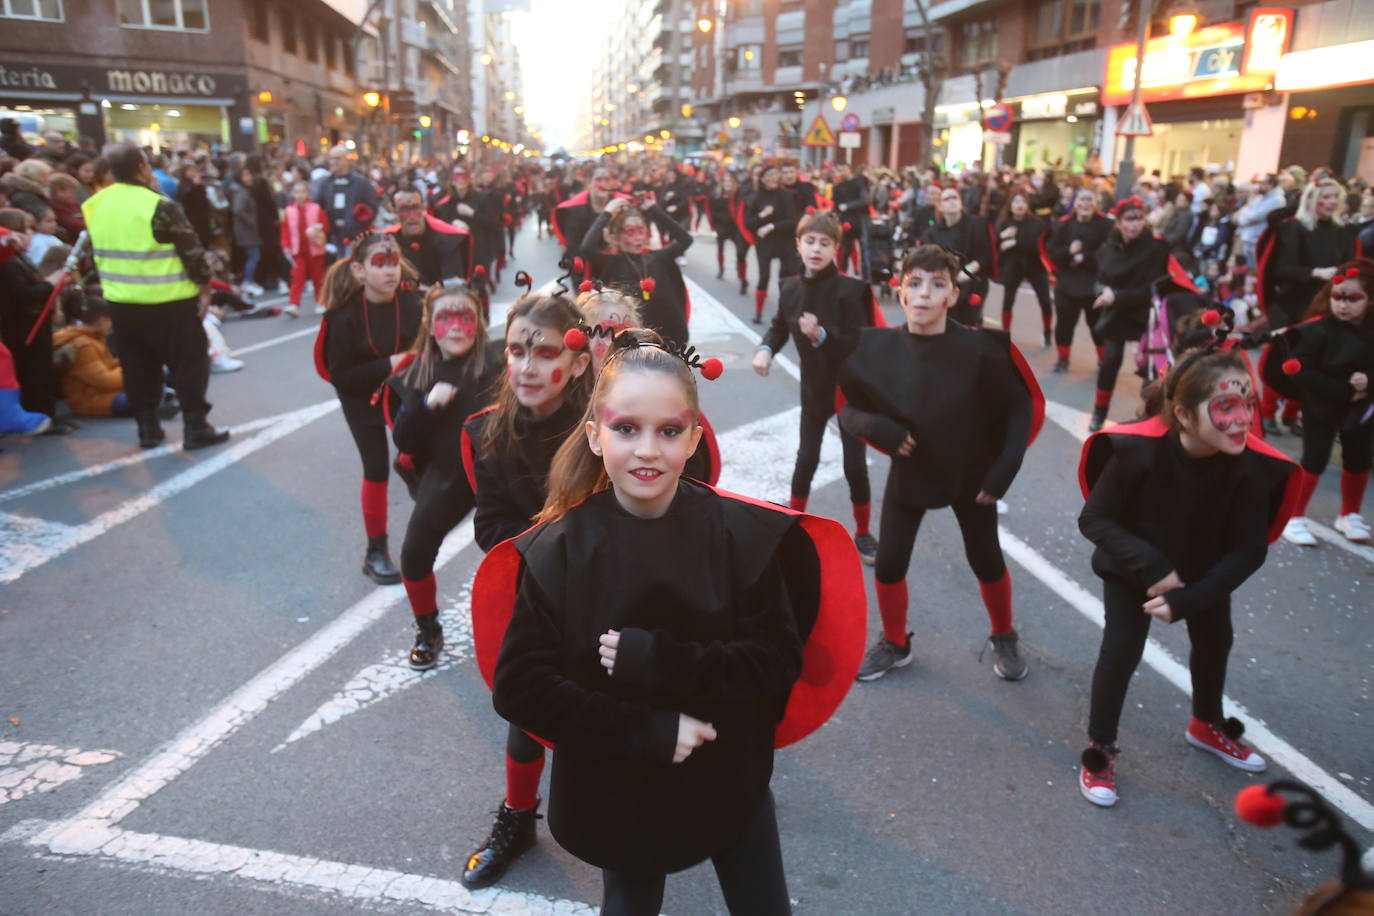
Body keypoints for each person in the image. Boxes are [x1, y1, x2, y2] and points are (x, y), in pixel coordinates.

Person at [485, 329, 862, 916]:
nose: (647, 450)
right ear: (593, 434)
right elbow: (521, 687)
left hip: (728, 777)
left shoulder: (739, 536)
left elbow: (776, 659)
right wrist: (646, 730)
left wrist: (664, 661)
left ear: (693, 439)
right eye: (625, 428)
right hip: (622, 783)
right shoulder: (560, 550)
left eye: (668, 431)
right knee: (631, 901)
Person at [1076, 340, 1300, 807]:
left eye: (1249, 405)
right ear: (1182, 414)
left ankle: (1206, 723)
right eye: (1226, 406)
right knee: (1121, 649)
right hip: (1132, 566)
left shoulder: (1249, 466)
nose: (1243, 419)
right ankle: (1100, 748)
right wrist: (1154, 568)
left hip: (1203, 569)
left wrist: (1190, 598)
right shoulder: (1138, 452)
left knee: (1216, 641)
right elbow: (1095, 519)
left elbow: (1248, 550)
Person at [838, 244, 1041, 682]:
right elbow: (847, 410)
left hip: (973, 473)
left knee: (985, 558)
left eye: (937, 284)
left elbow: (1018, 407)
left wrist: (1006, 467)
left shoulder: (981, 349)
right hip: (911, 471)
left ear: (952, 295)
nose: (924, 293)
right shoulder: (875, 348)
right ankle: (896, 643)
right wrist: (878, 427)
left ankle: (1004, 634)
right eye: (915, 283)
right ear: (901, 290)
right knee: (890, 563)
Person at [459, 291, 593, 890]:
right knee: (524, 704)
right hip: (536, 590)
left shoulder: (604, 423)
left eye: (544, 352)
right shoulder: (485, 431)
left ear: (580, 361)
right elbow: (489, 527)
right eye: (517, 351)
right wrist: (552, 547)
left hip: (610, 588)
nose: (528, 366)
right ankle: (518, 819)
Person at [753, 209, 877, 562]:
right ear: (798, 245)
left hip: (852, 392)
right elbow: (779, 326)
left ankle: (864, 532)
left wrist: (821, 335)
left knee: (855, 465)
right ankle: (794, 522)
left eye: (824, 243)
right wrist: (765, 350)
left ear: (836, 248)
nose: (816, 249)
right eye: (810, 241)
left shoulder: (852, 290)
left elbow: (862, 341)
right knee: (806, 458)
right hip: (814, 390)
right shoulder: (789, 286)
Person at [390, 285, 502, 669]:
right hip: (448, 475)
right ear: (431, 326)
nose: (456, 327)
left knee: (528, 552)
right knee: (414, 554)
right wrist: (424, 407)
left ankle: (536, 625)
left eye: (465, 318)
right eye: (446, 319)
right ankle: (428, 628)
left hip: (498, 474)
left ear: (479, 323)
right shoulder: (417, 372)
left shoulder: (500, 361)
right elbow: (402, 438)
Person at [315, 232, 422, 583]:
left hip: (403, 392)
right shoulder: (342, 316)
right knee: (375, 468)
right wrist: (393, 362)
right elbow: (341, 375)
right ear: (359, 270)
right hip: (360, 397)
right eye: (379, 263)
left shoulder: (412, 304)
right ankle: (375, 551)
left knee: (420, 453)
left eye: (393, 262)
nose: (390, 270)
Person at [1269, 261, 1374, 547]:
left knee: (1358, 458)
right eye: (1337, 297)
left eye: (1353, 298)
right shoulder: (1317, 330)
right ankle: (1294, 516)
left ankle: (1349, 513)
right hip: (1321, 405)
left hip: (1361, 408)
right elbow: (1300, 370)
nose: (1343, 305)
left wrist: (1369, 381)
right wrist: (1342, 390)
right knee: (1314, 460)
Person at [1086, 196, 1179, 432]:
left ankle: (1152, 420)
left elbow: (1155, 287)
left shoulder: (1157, 248)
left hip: (1147, 315)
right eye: (1129, 219)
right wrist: (1103, 291)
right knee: (1110, 361)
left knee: (1153, 370)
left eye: (1139, 219)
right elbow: (1098, 280)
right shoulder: (1108, 248)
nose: (1136, 224)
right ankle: (1099, 412)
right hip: (1116, 314)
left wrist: (1117, 296)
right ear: (1118, 223)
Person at [580, 197, 692, 347]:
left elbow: (686, 239)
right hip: (632, 339)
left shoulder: (658, 257)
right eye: (630, 233)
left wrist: (654, 209)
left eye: (641, 232)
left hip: (668, 335)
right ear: (617, 237)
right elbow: (587, 248)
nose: (638, 238)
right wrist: (607, 212)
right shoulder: (612, 262)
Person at [0, 207, 71, 434]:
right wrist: (50, 282)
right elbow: (23, 295)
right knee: (33, 372)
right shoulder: (8, 264)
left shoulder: (19, 258)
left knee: (41, 370)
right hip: (22, 325)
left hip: (35, 322)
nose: (31, 234)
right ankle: (39, 412)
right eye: (27, 229)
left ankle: (46, 412)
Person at [920, 184, 992, 328]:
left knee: (969, 326)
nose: (952, 201)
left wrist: (965, 272)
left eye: (955, 197)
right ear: (940, 206)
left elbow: (984, 256)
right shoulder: (933, 233)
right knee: (948, 325)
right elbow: (929, 259)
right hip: (945, 283)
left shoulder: (975, 224)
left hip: (973, 282)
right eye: (947, 199)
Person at [384, 186, 471, 292]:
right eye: (404, 209)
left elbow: (453, 285)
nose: (411, 216)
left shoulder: (447, 239)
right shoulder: (387, 240)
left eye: (415, 208)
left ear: (423, 208)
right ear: (394, 212)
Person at [995, 188, 1053, 345]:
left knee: (1045, 301)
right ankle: (1005, 333)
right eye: (1016, 202)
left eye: (1022, 201)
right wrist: (1002, 238)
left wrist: (1015, 242)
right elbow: (996, 246)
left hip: (1035, 266)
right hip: (1013, 266)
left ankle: (1048, 332)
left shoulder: (1037, 223)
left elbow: (1037, 245)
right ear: (1010, 205)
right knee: (1008, 300)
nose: (1019, 205)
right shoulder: (1003, 223)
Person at [746, 163, 801, 324]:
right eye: (768, 176)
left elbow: (793, 222)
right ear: (762, 179)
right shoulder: (756, 198)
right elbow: (749, 223)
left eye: (775, 175)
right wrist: (763, 215)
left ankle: (785, 314)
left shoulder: (787, 195)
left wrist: (771, 226)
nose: (772, 179)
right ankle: (758, 312)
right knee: (764, 276)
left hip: (785, 242)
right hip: (765, 244)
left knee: (787, 278)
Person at [313, 145, 378, 250]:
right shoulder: (324, 183)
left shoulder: (360, 183)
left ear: (346, 160)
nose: (334, 162)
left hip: (354, 235)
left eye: (338, 158)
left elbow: (371, 207)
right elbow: (316, 206)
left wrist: (359, 226)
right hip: (331, 235)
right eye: (332, 159)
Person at [280, 181, 328, 318]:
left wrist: (318, 229)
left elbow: (325, 225)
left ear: (307, 193)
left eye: (302, 191)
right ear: (293, 194)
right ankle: (293, 303)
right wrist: (285, 245)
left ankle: (321, 302)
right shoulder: (289, 210)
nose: (299, 195)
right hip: (297, 249)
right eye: (297, 192)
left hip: (315, 248)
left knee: (318, 277)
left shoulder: (315, 208)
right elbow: (286, 230)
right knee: (297, 277)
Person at [709, 171, 752, 295]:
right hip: (723, 226)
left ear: (735, 183)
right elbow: (713, 211)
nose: (727, 184)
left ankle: (743, 279)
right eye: (725, 181)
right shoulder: (717, 195)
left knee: (740, 253)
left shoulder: (740, 195)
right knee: (720, 248)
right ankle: (721, 268)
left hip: (737, 229)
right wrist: (716, 224)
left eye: (730, 181)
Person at [229, 167, 263, 297]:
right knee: (254, 255)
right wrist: (251, 222)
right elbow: (238, 210)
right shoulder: (242, 193)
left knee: (252, 255)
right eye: (245, 175)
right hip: (246, 231)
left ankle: (249, 281)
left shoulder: (242, 191)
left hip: (246, 230)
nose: (249, 178)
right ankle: (247, 281)